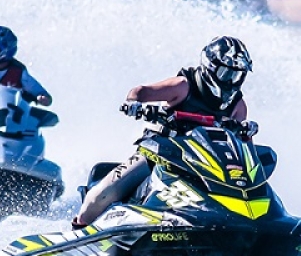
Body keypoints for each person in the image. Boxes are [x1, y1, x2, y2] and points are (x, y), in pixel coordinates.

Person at [72, 35, 255, 229]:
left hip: (203, 165)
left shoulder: (238, 107)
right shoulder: (184, 86)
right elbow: (140, 92)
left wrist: (246, 136)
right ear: (211, 66)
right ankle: (79, 229)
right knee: (101, 196)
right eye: (227, 73)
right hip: (162, 152)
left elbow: (241, 147)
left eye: (237, 74)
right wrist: (135, 105)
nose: (231, 81)